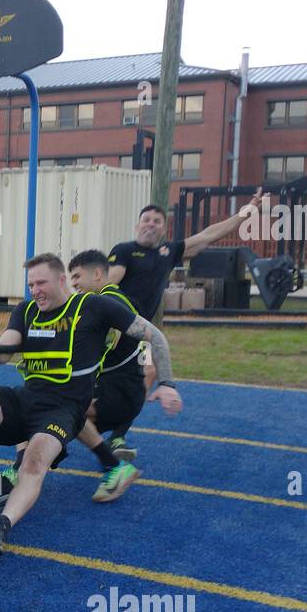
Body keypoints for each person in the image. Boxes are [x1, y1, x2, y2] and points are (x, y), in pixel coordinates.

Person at [0, 253, 181, 558]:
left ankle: (1, 526)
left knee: (33, 463)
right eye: (31, 284)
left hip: (64, 410)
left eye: (41, 282)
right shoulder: (26, 311)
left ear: (61, 280)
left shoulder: (93, 306)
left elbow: (156, 337)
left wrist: (167, 383)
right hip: (26, 398)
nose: (35, 290)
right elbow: (5, 351)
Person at [101, 191, 261, 459]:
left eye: (157, 221)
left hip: (142, 335)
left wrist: (245, 212)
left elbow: (209, 235)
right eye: (146, 219)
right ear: (137, 225)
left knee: (150, 373)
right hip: (118, 330)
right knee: (93, 379)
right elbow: (107, 285)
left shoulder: (169, 252)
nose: (151, 224)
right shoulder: (124, 251)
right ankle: (72, 425)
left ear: (164, 229)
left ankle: (117, 436)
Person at [67, 249, 178, 501]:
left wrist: (166, 382)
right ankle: (114, 445)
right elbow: (141, 344)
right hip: (121, 389)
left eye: (76, 277)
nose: (73, 284)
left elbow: (147, 338)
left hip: (117, 391)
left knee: (62, 409)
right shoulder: (113, 301)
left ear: (96, 274)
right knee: (62, 420)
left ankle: (115, 467)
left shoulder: (108, 302)